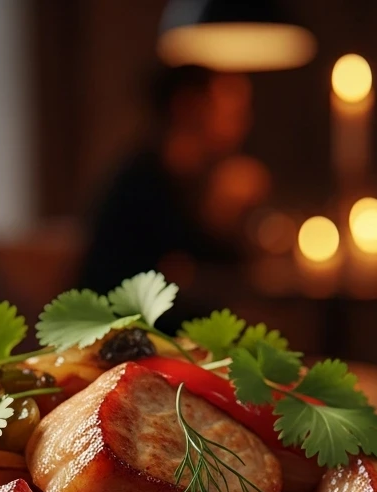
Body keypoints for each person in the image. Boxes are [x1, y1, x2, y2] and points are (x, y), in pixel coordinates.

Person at [76, 65, 268, 310]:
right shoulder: (139, 186)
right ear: (187, 105)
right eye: (231, 107)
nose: (244, 121)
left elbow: (228, 270)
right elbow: (168, 281)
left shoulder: (198, 180)